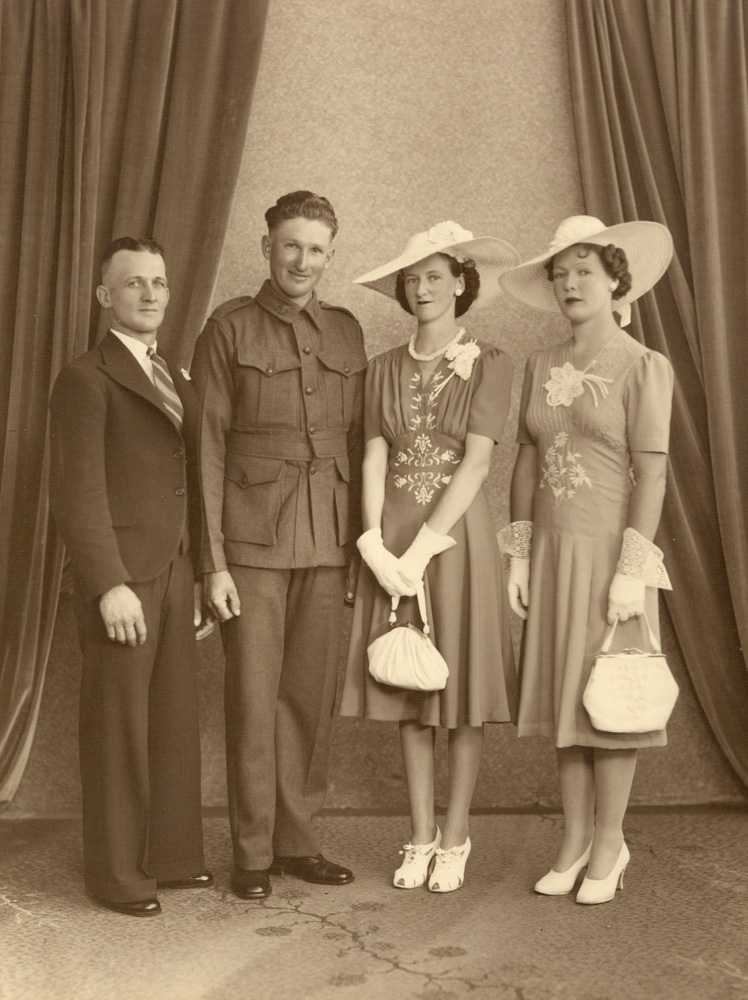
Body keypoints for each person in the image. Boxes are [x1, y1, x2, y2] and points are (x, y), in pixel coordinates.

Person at [191, 191, 366, 901]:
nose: (302, 261)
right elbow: (204, 448)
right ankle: (253, 853)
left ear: (330, 255)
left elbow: (360, 445)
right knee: (254, 701)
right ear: (266, 246)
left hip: (327, 541)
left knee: (308, 702)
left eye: (316, 249)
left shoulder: (347, 332)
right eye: (290, 244)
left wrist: (357, 550)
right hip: (251, 544)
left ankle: (298, 843)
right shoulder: (228, 328)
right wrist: (212, 563)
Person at [498, 215, 675, 905]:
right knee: (565, 699)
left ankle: (609, 844)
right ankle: (572, 842)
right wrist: (519, 554)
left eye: (585, 271)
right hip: (550, 552)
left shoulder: (643, 365)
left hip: (610, 555)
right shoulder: (540, 364)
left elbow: (652, 474)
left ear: (614, 281)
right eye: (560, 273)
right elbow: (526, 458)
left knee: (609, 703)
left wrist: (632, 569)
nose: (571, 283)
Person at [340, 221, 519, 893]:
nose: (421, 288)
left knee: (460, 697)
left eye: (434, 276)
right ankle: (418, 836)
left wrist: (421, 550)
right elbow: (373, 456)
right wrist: (372, 542)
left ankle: (456, 837)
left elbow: (476, 465)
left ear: (461, 283)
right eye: (411, 279)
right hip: (392, 537)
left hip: (455, 541)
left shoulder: (492, 361)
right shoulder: (382, 367)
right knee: (407, 690)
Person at [49, 237, 213, 917]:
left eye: (159, 282)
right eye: (133, 283)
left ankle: (171, 859)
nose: (149, 294)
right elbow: (77, 491)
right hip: (122, 577)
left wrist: (200, 572)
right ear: (104, 296)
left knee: (173, 719)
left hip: (174, 568)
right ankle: (116, 876)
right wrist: (108, 583)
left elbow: (190, 479)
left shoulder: (173, 373)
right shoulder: (85, 378)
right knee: (117, 728)